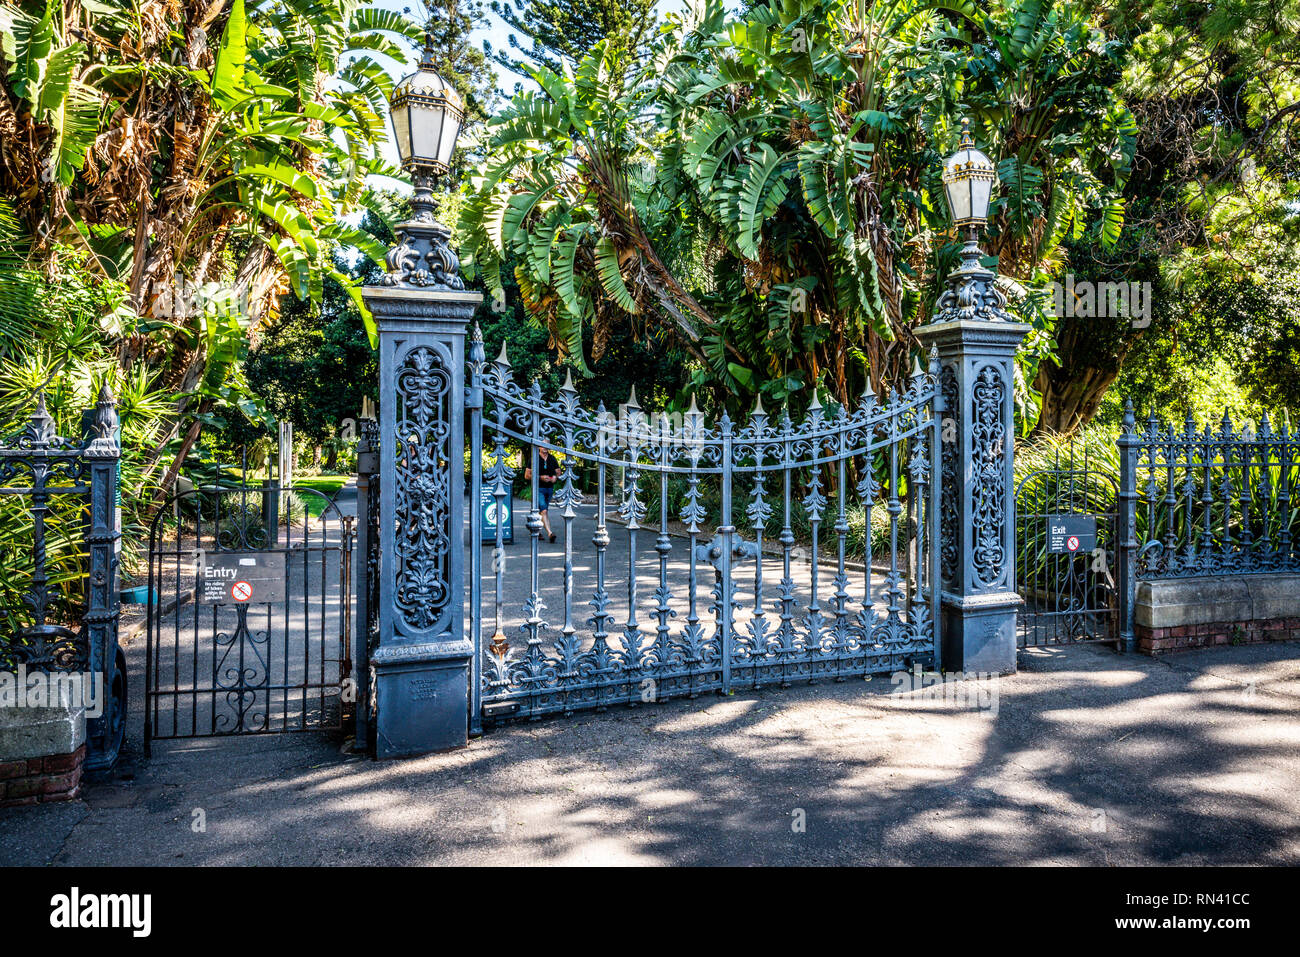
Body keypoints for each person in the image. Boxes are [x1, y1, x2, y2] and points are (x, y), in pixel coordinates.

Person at [524, 443, 559, 543]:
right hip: (538, 488)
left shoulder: (552, 458)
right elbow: (526, 476)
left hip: (549, 489)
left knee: (542, 511)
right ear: (539, 447)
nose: (544, 447)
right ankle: (550, 533)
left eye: (546, 445)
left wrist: (555, 478)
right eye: (542, 445)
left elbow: (558, 472)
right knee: (544, 511)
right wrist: (540, 477)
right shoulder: (533, 459)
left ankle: (536, 530)